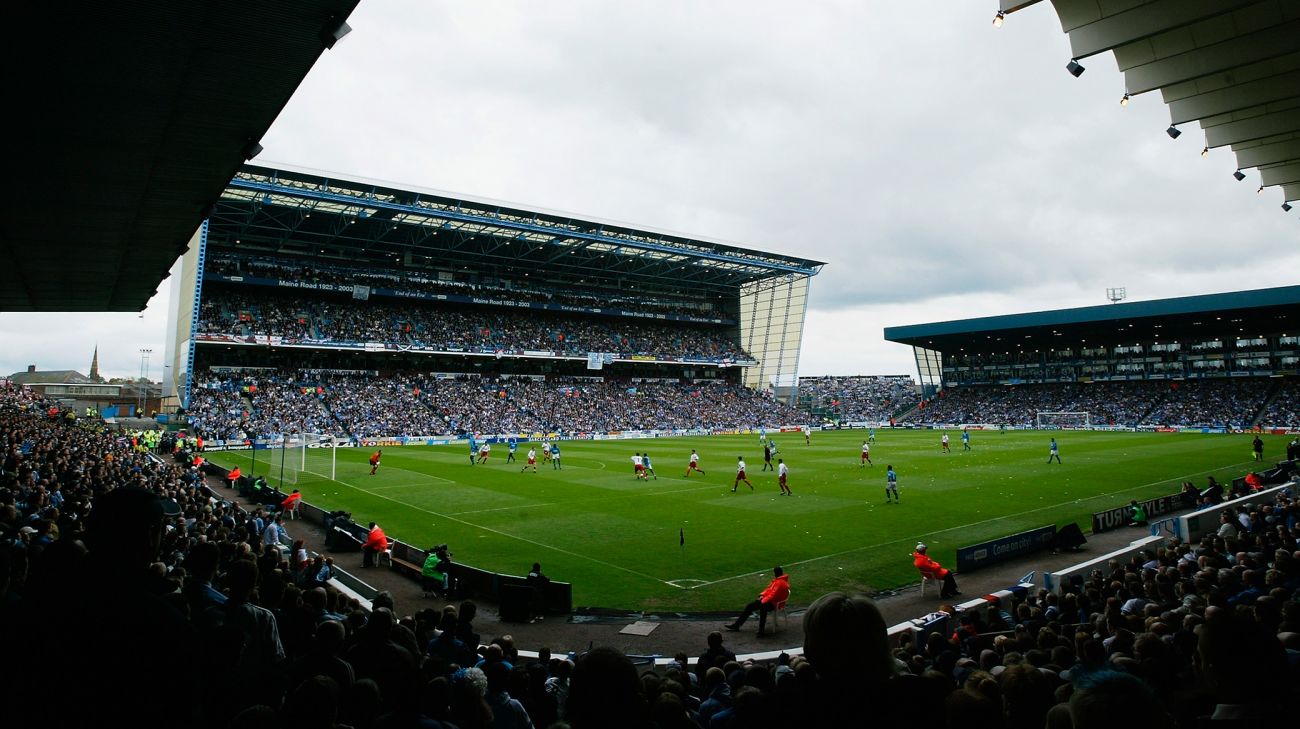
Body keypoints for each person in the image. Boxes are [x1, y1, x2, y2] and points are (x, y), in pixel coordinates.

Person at [723, 565, 790, 635]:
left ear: (776, 573)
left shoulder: (779, 582)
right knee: (750, 606)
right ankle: (737, 625)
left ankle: (761, 631)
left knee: (762, 607)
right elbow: (768, 590)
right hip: (771, 601)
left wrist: (763, 600)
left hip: (774, 603)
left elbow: (772, 595)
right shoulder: (779, 581)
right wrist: (762, 595)